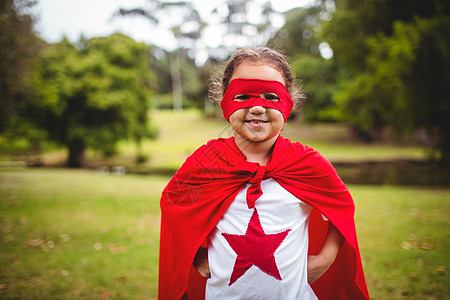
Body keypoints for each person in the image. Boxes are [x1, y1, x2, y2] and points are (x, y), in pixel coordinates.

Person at [159, 47, 370, 300]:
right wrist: (195, 255)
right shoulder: (207, 162)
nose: (258, 108)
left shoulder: (307, 163)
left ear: (288, 103)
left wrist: (326, 257)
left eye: (271, 96)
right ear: (225, 100)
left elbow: (342, 206)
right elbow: (173, 204)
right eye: (243, 96)